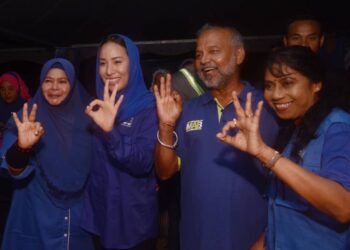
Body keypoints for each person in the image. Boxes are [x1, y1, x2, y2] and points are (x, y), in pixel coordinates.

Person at [154, 24, 279, 250]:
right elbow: (165, 171)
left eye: (213, 51)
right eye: (199, 54)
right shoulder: (189, 110)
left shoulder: (267, 108)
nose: (204, 60)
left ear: (239, 55)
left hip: (252, 241)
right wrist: (166, 124)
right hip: (196, 239)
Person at [217, 46, 350, 250]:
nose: (276, 95)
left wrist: (265, 153)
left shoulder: (338, 127)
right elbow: (283, 217)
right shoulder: (293, 132)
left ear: (316, 84)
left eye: (288, 83)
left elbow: (343, 206)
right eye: (269, 85)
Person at [0, 58, 94, 250]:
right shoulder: (24, 119)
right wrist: (22, 147)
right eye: (48, 81)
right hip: (34, 215)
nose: (54, 87)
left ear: (72, 84)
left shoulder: (90, 121)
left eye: (62, 81)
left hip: (79, 219)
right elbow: (13, 170)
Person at [80, 34, 159, 250]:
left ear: (132, 65)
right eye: (102, 63)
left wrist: (111, 131)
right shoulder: (96, 106)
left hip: (133, 224)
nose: (108, 71)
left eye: (117, 62)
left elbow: (143, 163)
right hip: (101, 218)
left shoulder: (149, 109)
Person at [0, 72, 31, 146]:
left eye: (11, 89)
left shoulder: (25, 106)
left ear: (18, 89)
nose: (6, 93)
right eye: (2, 89)